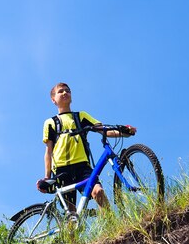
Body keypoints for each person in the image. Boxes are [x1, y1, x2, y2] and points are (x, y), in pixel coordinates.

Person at [38, 82, 136, 212]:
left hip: (82, 167)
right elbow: (48, 151)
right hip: (61, 170)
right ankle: (71, 230)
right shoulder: (50, 123)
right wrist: (47, 176)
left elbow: (103, 130)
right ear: (53, 99)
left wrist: (124, 133)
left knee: (98, 192)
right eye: (60, 91)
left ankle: (110, 226)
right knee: (71, 213)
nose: (65, 93)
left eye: (67, 90)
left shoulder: (81, 116)